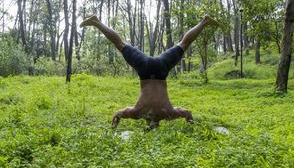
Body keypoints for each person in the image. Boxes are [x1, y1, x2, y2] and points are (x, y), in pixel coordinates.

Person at [80, 15, 219, 129]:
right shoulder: (138, 113)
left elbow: (188, 113)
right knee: (121, 45)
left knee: (183, 44)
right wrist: (112, 129)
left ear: (157, 124)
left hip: (160, 69)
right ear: (149, 123)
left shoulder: (167, 114)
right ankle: (96, 22)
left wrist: (190, 126)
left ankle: (204, 22)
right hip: (145, 69)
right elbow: (117, 114)